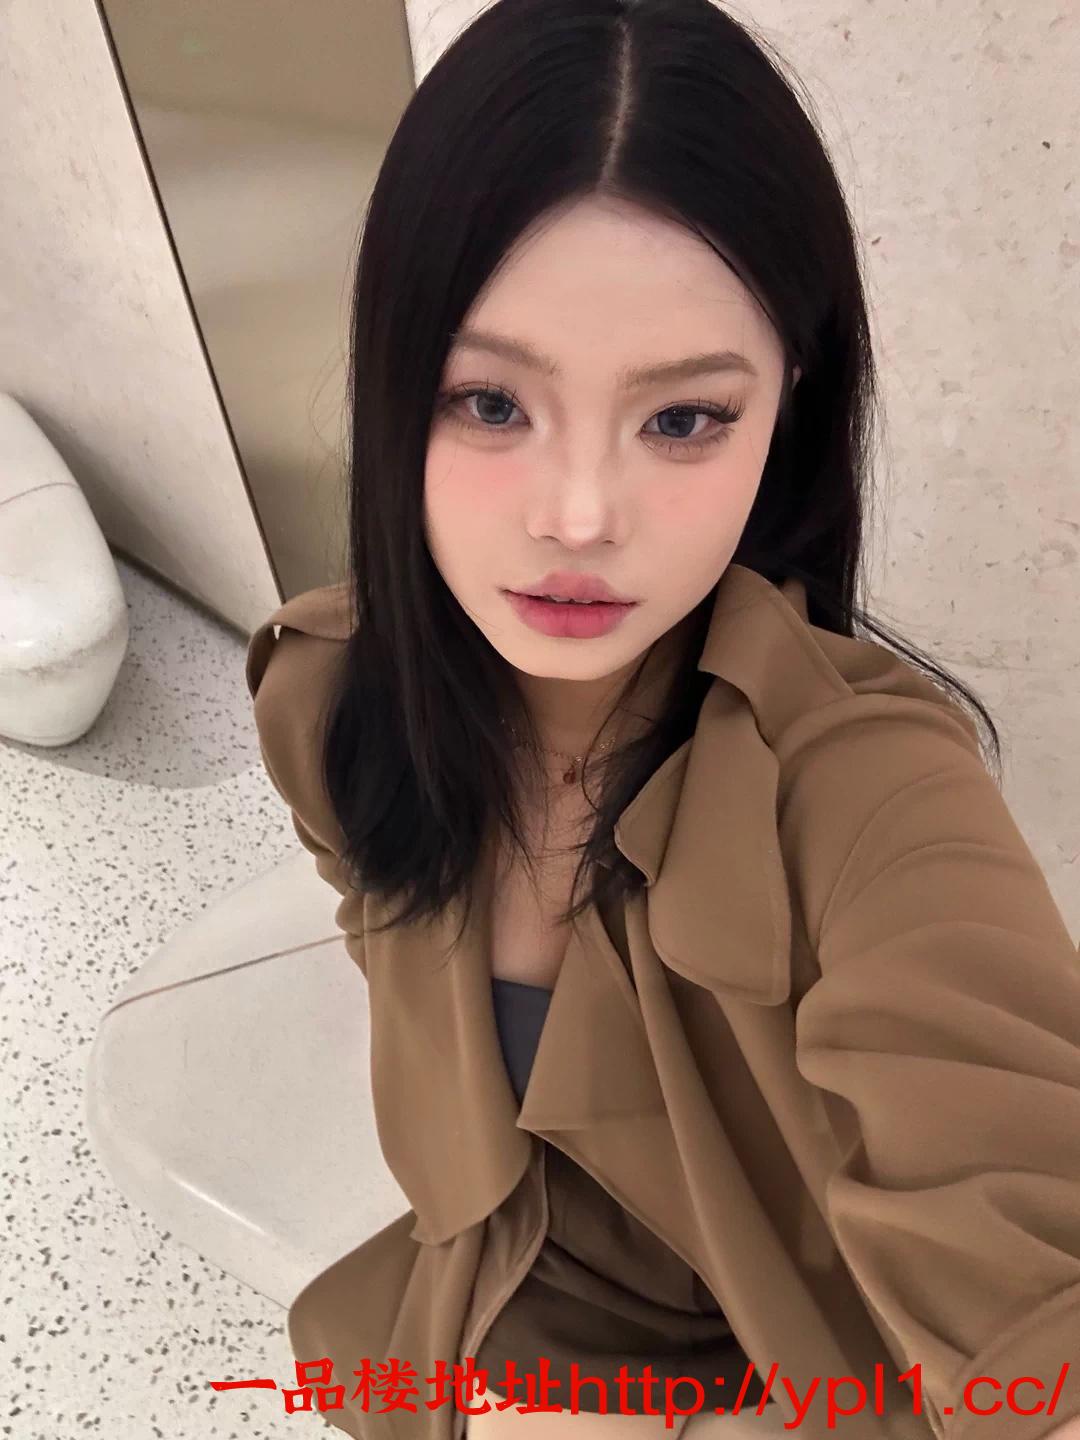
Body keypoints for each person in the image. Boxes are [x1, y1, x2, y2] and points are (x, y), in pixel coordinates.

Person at [244, 2, 1080, 1438]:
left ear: (787, 407)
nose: (580, 517)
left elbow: (1040, 1299)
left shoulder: (870, 791)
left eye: (683, 420)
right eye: (488, 401)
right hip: (482, 1319)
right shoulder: (326, 701)